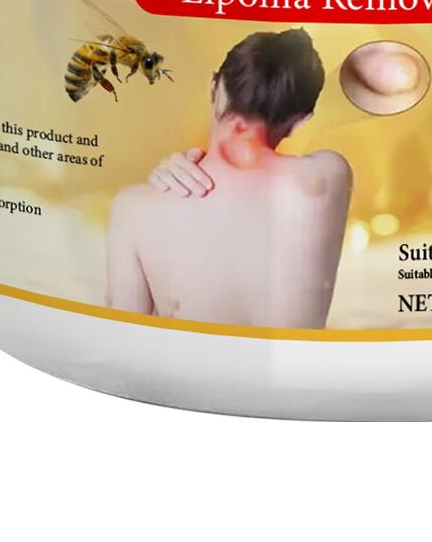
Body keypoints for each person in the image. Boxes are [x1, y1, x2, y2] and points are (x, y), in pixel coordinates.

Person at [106, 29, 352, 328]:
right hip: (293, 360)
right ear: (300, 121)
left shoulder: (134, 208)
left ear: (213, 86)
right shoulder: (327, 177)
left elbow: (124, 335)